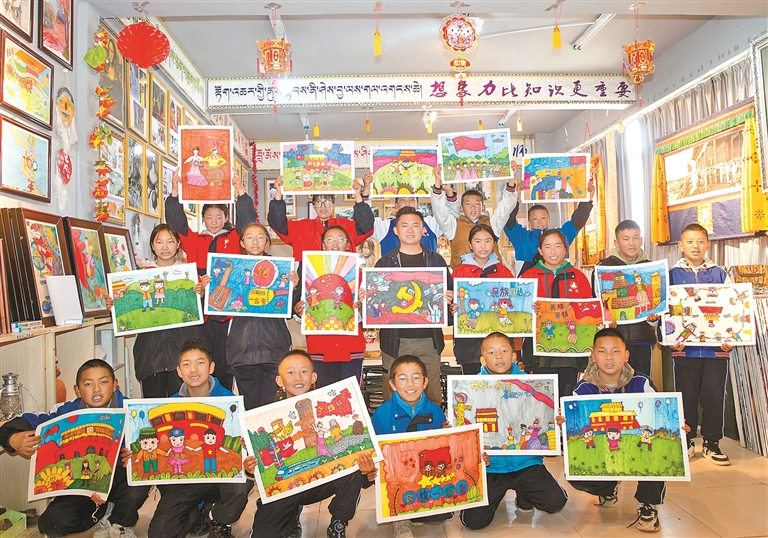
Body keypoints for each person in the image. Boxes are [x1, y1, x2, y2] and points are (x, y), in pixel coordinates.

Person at [0, 360, 150, 538]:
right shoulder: (67, 412)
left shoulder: (131, 410)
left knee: (139, 473)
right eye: (88, 384)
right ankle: (103, 511)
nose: (96, 389)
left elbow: (150, 442)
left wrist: (135, 454)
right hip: (83, 484)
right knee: (51, 524)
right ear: (77, 390)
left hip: (120, 481)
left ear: (114, 384)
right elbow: (34, 421)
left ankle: (120, 521)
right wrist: (11, 438)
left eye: (103, 382)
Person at [247, 350, 377, 538]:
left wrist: (366, 473)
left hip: (319, 481)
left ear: (314, 377)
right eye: (290, 372)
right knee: (263, 534)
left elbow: (362, 474)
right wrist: (249, 469)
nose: (298, 377)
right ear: (279, 380)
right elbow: (256, 467)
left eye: (304, 371)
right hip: (285, 488)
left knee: (351, 468)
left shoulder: (323, 408)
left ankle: (338, 522)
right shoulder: (263, 418)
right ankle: (290, 520)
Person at [563, 328, 670, 533]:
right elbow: (577, 427)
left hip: (636, 445)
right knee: (575, 469)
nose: (609, 357)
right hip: (604, 449)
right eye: (602, 351)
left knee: (658, 449)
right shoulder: (582, 390)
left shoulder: (642, 383)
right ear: (593, 356)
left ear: (626, 355)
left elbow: (659, 416)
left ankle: (648, 503)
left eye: (616, 351)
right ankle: (608, 487)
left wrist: (676, 425)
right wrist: (564, 423)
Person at [460, 333, 567, 530]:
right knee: (473, 521)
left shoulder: (531, 384)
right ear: (482, 360)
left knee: (556, 502)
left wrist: (555, 420)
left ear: (514, 356)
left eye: (504, 350)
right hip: (491, 468)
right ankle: (496, 495)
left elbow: (543, 417)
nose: (498, 356)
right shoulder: (471, 388)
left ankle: (524, 492)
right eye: (492, 352)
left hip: (526, 463)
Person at [147, 339, 252, 538]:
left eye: (200, 363)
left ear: (211, 367)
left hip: (220, 479)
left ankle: (218, 519)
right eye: (187, 364)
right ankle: (196, 513)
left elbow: (243, 449)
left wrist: (245, 445)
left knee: (240, 484)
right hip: (186, 480)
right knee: (159, 534)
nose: (193, 369)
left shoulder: (230, 402)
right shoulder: (169, 405)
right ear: (179, 371)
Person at [165, 170, 257, 391]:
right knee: (203, 356)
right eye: (209, 217)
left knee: (226, 359)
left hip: (229, 310)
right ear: (203, 218)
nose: (214, 222)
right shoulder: (195, 240)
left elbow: (247, 222)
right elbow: (178, 224)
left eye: (218, 217)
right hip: (202, 310)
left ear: (226, 218)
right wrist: (175, 193)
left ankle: (225, 397)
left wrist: (241, 192)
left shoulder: (235, 238)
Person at [107, 223, 200, 398]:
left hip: (181, 354)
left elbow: (199, 314)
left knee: (182, 405)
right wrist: (114, 305)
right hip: (150, 356)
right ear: (152, 245)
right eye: (159, 242)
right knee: (153, 407)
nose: (165, 247)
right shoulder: (139, 277)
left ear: (178, 244)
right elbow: (128, 315)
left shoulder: (191, 276)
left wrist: (200, 295)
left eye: (170, 241)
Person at [374, 206, 454, 405]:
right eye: (405, 225)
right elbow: (377, 305)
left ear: (423, 230)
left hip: (429, 340)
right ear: (396, 230)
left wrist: (450, 301)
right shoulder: (384, 263)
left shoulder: (436, 261)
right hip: (394, 342)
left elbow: (450, 302)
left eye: (415, 225)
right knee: (393, 397)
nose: (410, 230)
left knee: (432, 394)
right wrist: (366, 299)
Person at [668, 223, 733, 465]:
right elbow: (664, 311)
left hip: (716, 350)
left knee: (714, 396)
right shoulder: (671, 275)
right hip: (684, 350)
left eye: (700, 241)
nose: (695, 246)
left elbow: (734, 308)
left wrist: (731, 338)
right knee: (685, 396)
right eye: (689, 241)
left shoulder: (720, 274)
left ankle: (712, 442)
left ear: (708, 245)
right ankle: (685, 440)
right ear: (680, 245)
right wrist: (669, 339)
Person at [370, 355, 453, 538]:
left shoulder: (436, 412)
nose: (410, 384)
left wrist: (448, 436)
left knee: (441, 514)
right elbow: (374, 452)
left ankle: (416, 510)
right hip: (396, 475)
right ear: (392, 384)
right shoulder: (382, 415)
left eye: (416, 378)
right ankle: (400, 519)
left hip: (425, 471)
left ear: (425, 382)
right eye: (402, 378)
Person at [225, 222, 298, 409]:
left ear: (267, 241)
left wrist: (295, 287)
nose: (255, 241)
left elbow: (291, 310)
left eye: (260, 237)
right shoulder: (232, 270)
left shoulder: (281, 270)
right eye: (249, 237)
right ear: (242, 242)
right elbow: (218, 311)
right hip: (241, 352)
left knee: (272, 408)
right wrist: (208, 289)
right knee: (248, 408)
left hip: (274, 351)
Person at [521, 229, 592, 397]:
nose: (553, 251)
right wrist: (529, 309)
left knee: (567, 395)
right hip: (538, 353)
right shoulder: (527, 277)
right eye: (547, 246)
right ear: (540, 250)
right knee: (542, 398)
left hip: (571, 352)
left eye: (558, 246)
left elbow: (588, 310)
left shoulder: (578, 276)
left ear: (565, 249)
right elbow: (519, 312)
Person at [294, 226, 366, 388]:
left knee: (350, 397)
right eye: (330, 240)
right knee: (324, 397)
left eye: (340, 239)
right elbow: (302, 313)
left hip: (351, 348)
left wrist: (362, 309)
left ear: (348, 245)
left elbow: (370, 315)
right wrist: (299, 313)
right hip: (320, 348)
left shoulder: (360, 274)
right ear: (323, 245)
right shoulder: (307, 272)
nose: (335, 244)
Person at [591, 220, 660, 376]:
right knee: (613, 382)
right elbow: (596, 302)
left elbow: (657, 303)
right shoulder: (603, 268)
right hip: (612, 341)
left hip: (642, 338)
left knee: (641, 381)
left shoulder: (651, 268)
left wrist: (654, 319)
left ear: (641, 240)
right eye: (626, 238)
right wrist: (606, 323)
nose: (632, 243)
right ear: (616, 242)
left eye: (636, 238)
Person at [450, 224, 515, 374]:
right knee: (472, 382)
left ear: (494, 243)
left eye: (488, 241)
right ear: (470, 245)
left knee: (499, 382)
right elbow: (450, 305)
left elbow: (513, 301)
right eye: (478, 241)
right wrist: (452, 309)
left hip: (499, 342)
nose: (483, 246)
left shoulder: (503, 272)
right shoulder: (459, 272)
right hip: (469, 345)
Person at [268, 172, 375, 259]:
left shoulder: (346, 225)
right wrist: (278, 193)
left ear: (334, 204)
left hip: (342, 275)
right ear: (313, 206)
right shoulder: (301, 227)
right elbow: (277, 223)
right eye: (318, 202)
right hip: (308, 277)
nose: (323, 206)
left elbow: (366, 226)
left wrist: (357, 195)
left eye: (327, 202)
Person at [432, 163, 519, 268]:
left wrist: (511, 178)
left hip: (491, 274)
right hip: (463, 276)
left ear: (483, 208)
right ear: (461, 208)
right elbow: (440, 212)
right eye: (468, 204)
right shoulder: (454, 226)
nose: (473, 207)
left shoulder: (492, 224)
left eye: (477, 204)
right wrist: (438, 182)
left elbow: (507, 206)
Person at [503, 182, 594, 276]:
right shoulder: (521, 238)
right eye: (535, 219)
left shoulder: (559, 236)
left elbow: (577, 222)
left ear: (549, 219)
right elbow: (508, 220)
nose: (540, 221)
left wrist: (588, 199)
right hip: (529, 282)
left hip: (556, 281)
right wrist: (516, 195)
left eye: (543, 218)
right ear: (529, 222)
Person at [370, 194, 456, 256]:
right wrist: (366, 194)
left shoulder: (431, 223)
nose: (407, 203)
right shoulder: (385, 227)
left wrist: (449, 193)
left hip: (426, 275)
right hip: (394, 275)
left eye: (412, 200)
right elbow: (366, 222)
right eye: (402, 200)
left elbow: (450, 220)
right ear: (396, 205)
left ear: (417, 204)